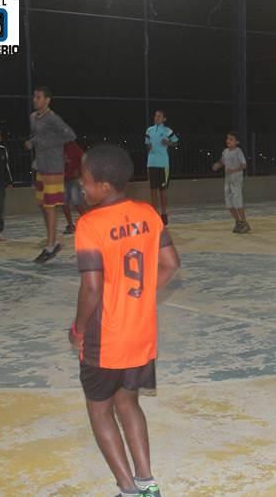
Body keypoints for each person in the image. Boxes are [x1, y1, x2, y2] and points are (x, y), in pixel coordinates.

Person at [70, 144, 180, 497]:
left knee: (100, 411)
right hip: (141, 332)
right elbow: (171, 264)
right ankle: (147, 481)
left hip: (106, 335)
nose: (81, 187)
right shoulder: (148, 213)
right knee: (128, 403)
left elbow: (91, 287)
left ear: (103, 186)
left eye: (84, 181)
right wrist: (143, 294)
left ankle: (127, 488)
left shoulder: (90, 224)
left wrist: (78, 329)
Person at [26, 86, 76, 263]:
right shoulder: (33, 117)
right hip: (40, 166)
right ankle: (52, 240)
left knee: (50, 205)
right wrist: (32, 142)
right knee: (42, 204)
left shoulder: (52, 118)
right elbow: (38, 137)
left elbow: (70, 135)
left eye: (38, 97)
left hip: (54, 166)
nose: (35, 99)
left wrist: (46, 143)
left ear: (47, 100)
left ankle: (50, 244)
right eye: (34, 97)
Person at [145, 109, 179, 225]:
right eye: (155, 116)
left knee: (162, 190)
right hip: (151, 163)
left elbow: (176, 142)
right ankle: (155, 213)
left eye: (159, 116)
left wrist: (168, 143)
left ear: (164, 119)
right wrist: (149, 147)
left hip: (163, 164)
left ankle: (164, 214)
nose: (156, 118)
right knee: (153, 190)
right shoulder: (149, 130)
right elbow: (147, 144)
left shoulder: (168, 130)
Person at [212, 131, 250, 233]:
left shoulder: (238, 151)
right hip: (228, 181)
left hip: (236, 181)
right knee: (229, 204)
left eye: (231, 139)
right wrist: (218, 165)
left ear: (237, 142)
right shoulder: (225, 152)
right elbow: (222, 162)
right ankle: (238, 222)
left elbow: (244, 165)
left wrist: (234, 170)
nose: (228, 141)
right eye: (228, 138)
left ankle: (244, 223)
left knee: (238, 203)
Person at [62, 140, 86, 234]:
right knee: (64, 204)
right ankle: (70, 225)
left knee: (77, 203)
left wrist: (79, 171)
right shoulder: (59, 148)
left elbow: (84, 159)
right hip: (64, 179)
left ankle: (89, 223)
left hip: (74, 179)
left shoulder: (73, 146)